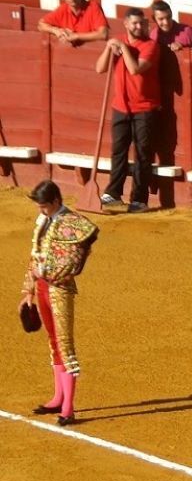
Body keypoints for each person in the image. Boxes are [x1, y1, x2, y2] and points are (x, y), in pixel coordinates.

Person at [19, 180, 99, 427]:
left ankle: (68, 408)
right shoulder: (44, 221)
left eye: (44, 206)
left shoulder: (71, 223)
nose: (41, 211)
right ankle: (58, 397)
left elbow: (75, 260)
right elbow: (35, 256)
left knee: (65, 344)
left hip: (60, 289)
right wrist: (28, 290)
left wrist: (48, 273)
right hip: (42, 287)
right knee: (53, 341)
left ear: (56, 201)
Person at [96, 8, 161, 214]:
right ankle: (113, 193)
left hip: (145, 108)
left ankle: (139, 199)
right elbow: (100, 68)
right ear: (125, 23)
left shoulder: (150, 46)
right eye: (134, 23)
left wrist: (122, 48)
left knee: (142, 154)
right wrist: (108, 48)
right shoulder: (118, 41)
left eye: (142, 24)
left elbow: (134, 69)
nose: (139, 27)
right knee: (118, 151)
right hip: (121, 106)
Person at [36, 0, 108, 46]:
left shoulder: (93, 7)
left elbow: (103, 34)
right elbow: (41, 25)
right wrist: (56, 31)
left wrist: (76, 36)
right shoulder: (63, 9)